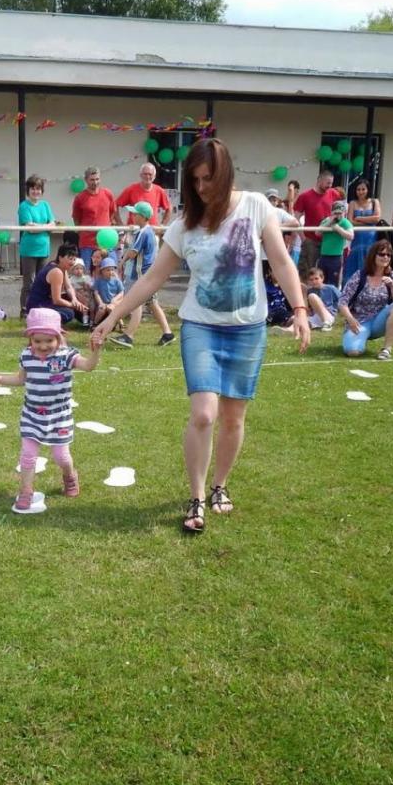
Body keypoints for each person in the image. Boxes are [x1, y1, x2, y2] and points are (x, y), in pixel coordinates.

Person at [90, 137, 311, 534]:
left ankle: (219, 486)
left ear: (225, 174)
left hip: (247, 329)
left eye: (209, 178)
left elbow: (280, 261)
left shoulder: (256, 206)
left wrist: (300, 309)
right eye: (195, 180)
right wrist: (111, 317)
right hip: (201, 327)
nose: (202, 187)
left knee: (233, 418)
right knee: (204, 414)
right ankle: (196, 496)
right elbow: (152, 278)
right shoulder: (183, 226)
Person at [0, 307, 102, 511]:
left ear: (58, 337)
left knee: (61, 457)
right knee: (28, 455)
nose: (43, 346)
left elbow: (89, 366)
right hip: (32, 415)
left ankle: (69, 476)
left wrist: (96, 351)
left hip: (59, 416)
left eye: (49, 340)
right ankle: (26, 491)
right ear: (30, 339)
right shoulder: (27, 356)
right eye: (37, 341)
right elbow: (20, 379)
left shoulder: (66, 356)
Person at [115, 202, 175, 347]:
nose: (133, 216)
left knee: (136, 302)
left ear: (142, 217)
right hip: (149, 273)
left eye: (135, 214)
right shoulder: (148, 232)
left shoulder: (143, 232)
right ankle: (167, 333)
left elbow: (133, 252)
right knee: (152, 303)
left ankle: (128, 336)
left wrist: (121, 262)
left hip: (141, 274)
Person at [338, 242, 393, 358]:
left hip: (379, 321)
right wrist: (350, 319)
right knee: (352, 352)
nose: (385, 257)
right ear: (373, 255)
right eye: (382, 254)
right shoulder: (360, 275)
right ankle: (359, 340)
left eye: (389, 255)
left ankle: (386, 349)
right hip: (359, 322)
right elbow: (342, 301)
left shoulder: (392, 276)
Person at [17, 174, 57, 316]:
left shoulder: (45, 205)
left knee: (43, 281)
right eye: (33, 188)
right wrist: (45, 226)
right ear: (28, 190)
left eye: (38, 188)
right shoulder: (24, 206)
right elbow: (30, 229)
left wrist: (39, 226)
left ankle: (40, 309)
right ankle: (25, 310)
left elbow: (53, 225)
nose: (36, 191)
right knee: (29, 282)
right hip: (29, 249)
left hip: (44, 249)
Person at [292, 169, 340, 273]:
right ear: (319, 180)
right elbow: (296, 218)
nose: (330, 186)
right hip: (311, 241)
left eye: (331, 183)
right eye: (328, 183)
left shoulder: (333, 193)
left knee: (325, 272)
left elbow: (341, 212)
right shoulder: (305, 196)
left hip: (328, 240)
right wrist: (303, 238)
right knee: (307, 272)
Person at [27, 243, 87, 324]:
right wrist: (73, 305)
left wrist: (74, 299)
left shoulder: (62, 267)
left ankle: (87, 321)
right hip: (37, 306)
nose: (72, 262)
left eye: (74, 259)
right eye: (70, 259)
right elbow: (57, 300)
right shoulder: (56, 272)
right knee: (69, 313)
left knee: (77, 298)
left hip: (47, 302)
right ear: (60, 258)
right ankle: (46, 323)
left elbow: (68, 287)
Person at [70, 166, 116, 269]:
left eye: (97, 179)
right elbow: (76, 219)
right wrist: (84, 232)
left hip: (106, 241)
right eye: (92, 180)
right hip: (87, 243)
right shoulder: (80, 197)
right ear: (86, 180)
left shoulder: (108, 194)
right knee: (87, 272)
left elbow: (112, 213)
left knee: (111, 270)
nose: (95, 182)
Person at [345, 177, 381, 277]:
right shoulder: (352, 203)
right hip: (357, 238)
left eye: (363, 189)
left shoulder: (374, 202)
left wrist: (360, 218)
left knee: (370, 261)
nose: (361, 192)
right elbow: (350, 221)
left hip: (371, 238)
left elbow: (377, 218)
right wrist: (369, 222)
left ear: (368, 190)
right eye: (358, 189)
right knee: (354, 264)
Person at [316, 199, 353, 286]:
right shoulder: (326, 220)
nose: (338, 216)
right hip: (323, 256)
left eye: (340, 213)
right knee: (321, 281)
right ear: (332, 213)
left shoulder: (345, 222)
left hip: (336, 257)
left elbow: (351, 236)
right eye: (336, 213)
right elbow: (317, 233)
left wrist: (338, 229)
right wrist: (329, 223)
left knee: (333, 282)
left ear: (344, 213)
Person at [92, 253, 124, 326]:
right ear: (102, 271)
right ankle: (94, 324)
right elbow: (96, 293)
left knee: (111, 309)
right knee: (101, 309)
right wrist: (100, 302)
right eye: (108, 270)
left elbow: (121, 292)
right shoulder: (98, 281)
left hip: (114, 302)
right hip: (103, 303)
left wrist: (115, 300)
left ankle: (121, 324)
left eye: (112, 270)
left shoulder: (116, 281)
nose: (110, 272)